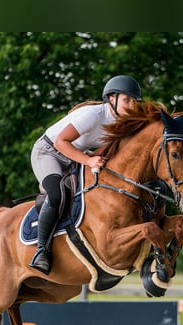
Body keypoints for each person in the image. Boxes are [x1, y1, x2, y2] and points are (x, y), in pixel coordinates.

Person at [29, 75, 143, 275]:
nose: (132, 105)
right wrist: (89, 161)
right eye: (127, 100)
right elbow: (61, 142)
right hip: (48, 152)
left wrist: (92, 157)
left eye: (135, 101)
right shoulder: (93, 114)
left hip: (75, 155)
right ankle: (41, 251)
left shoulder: (122, 124)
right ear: (112, 98)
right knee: (56, 194)